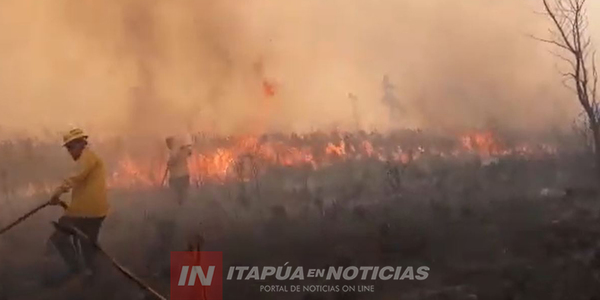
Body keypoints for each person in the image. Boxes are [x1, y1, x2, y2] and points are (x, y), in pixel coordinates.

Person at [48, 128, 109, 280]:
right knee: (88, 245)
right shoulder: (88, 157)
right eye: (67, 148)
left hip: (86, 211)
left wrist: (58, 192)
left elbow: (75, 177)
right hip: (92, 210)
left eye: (71, 147)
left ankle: (81, 271)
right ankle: (91, 274)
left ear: (81, 144)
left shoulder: (87, 158)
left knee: (60, 238)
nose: (69, 151)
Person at [165, 135, 192, 205]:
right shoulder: (173, 153)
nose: (168, 145)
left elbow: (189, 152)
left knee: (181, 196)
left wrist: (185, 148)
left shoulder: (178, 152)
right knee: (179, 197)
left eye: (169, 143)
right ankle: (181, 207)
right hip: (178, 177)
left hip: (180, 177)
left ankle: (182, 208)